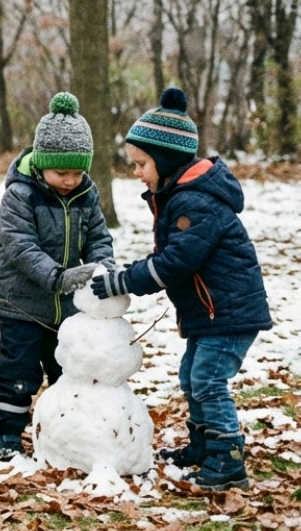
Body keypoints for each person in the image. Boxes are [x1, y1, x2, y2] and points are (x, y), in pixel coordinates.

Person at [91, 87, 272, 490]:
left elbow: (176, 262)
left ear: (167, 160)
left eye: (142, 164)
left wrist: (125, 279)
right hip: (211, 311)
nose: (137, 172)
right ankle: (204, 445)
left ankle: (227, 459)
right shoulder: (180, 196)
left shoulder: (197, 202)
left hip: (229, 312)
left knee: (207, 379)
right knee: (192, 376)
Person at [0, 92, 115, 461]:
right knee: (19, 372)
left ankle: (67, 433)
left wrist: (103, 269)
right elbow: (21, 247)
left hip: (66, 307)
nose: (71, 180)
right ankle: (7, 434)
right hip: (21, 305)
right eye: (62, 173)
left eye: (77, 172)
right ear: (42, 164)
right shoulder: (20, 195)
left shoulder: (86, 194)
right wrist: (58, 277)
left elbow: (98, 237)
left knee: (68, 370)